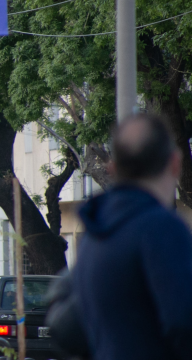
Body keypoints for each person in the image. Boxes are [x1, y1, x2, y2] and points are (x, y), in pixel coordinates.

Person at [72, 114, 192, 359]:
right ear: (175, 163)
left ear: (112, 168)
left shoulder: (94, 230)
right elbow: (184, 320)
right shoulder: (161, 228)